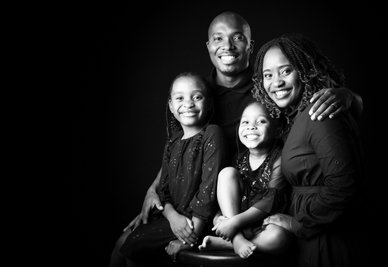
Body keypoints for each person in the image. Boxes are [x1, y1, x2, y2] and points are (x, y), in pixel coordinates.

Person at [123, 11, 363, 251]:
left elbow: (309, 115)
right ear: (208, 46)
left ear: (250, 45)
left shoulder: (266, 90)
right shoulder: (198, 94)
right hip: (207, 206)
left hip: (265, 201)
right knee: (124, 245)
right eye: (218, 38)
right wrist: (154, 190)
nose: (227, 46)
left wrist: (349, 97)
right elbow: (182, 145)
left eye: (237, 37)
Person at [252, 33, 365, 267]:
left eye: (285, 71)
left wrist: (299, 223)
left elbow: (344, 186)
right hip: (310, 241)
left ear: (306, 70)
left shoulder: (320, 114)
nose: (276, 82)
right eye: (268, 75)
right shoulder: (294, 117)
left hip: (328, 243)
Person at [109, 72, 227, 267]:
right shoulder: (172, 142)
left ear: (209, 104)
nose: (188, 104)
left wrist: (190, 236)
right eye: (180, 98)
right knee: (121, 243)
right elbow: (163, 190)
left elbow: (209, 191)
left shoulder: (212, 134)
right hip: (172, 217)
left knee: (132, 247)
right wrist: (172, 216)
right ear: (171, 106)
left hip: (197, 222)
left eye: (196, 97)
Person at [198, 101, 292, 259]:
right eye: (245, 122)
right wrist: (225, 218)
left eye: (261, 121)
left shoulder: (279, 158)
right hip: (237, 217)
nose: (251, 127)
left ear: (277, 130)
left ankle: (228, 242)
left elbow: (271, 200)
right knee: (226, 174)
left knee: (279, 238)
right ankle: (237, 239)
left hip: (263, 221)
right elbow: (228, 193)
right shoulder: (239, 158)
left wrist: (234, 223)